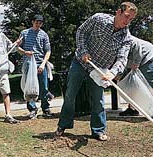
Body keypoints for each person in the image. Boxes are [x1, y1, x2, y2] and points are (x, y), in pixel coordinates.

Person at [54, 2, 138, 141]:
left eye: (131, 19)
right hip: (80, 63)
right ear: (118, 12)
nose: (127, 21)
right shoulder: (98, 19)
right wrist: (84, 51)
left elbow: (122, 58)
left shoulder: (126, 37)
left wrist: (113, 72)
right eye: (126, 16)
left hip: (100, 70)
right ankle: (63, 125)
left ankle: (98, 130)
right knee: (70, 94)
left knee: (98, 100)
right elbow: (81, 32)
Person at [119, 35, 153, 123]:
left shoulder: (124, 37)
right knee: (132, 85)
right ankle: (133, 109)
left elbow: (138, 47)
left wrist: (136, 63)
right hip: (134, 62)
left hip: (149, 57)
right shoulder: (111, 43)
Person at [18, 14, 52, 119]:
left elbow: (48, 51)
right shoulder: (24, 33)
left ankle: (45, 108)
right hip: (28, 64)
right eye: (36, 22)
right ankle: (32, 109)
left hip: (40, 63)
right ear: (33, 22)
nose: (38, 24)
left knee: (44, 87)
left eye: (40, 23)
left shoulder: (44, 35)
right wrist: (25, 52)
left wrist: (42, 64)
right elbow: (17, 47)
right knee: (29, 88)